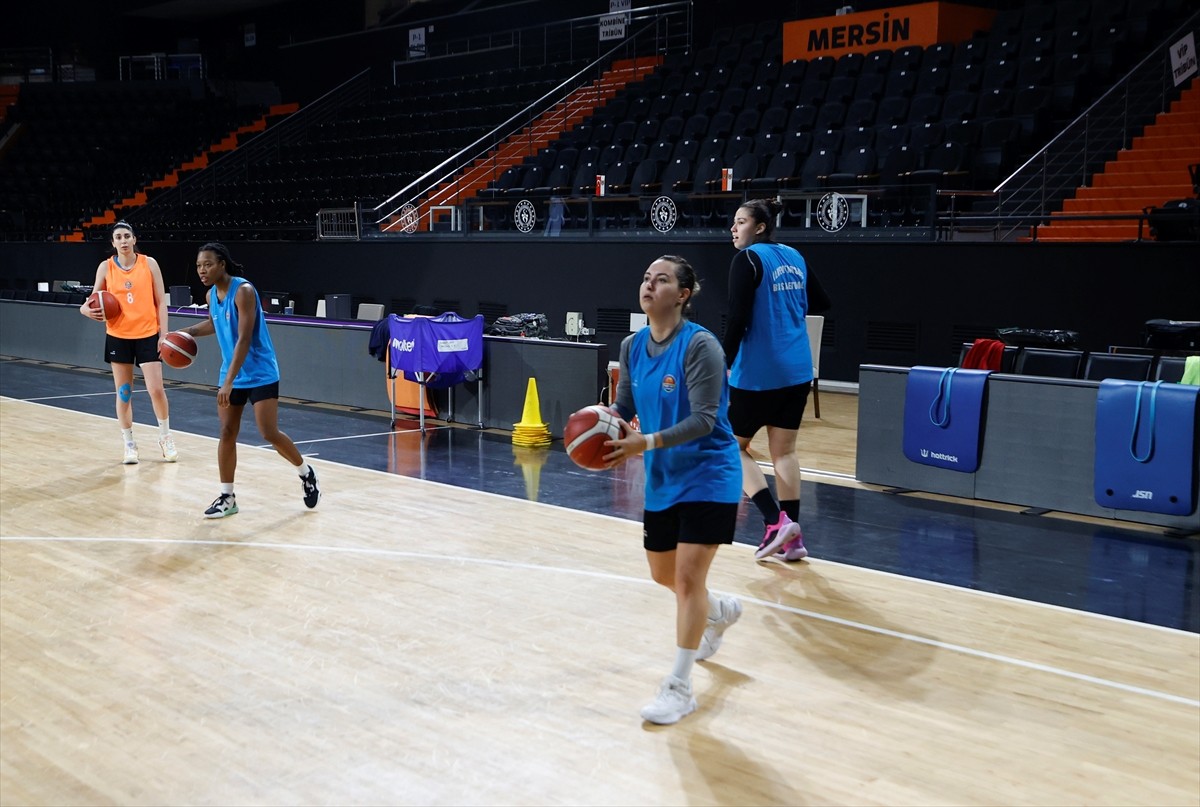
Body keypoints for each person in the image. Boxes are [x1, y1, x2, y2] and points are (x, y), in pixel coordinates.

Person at [606, 255, 744, 726]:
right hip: (663, 476)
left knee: (687, 580)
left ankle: (679, 687)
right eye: (646, 277)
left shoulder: (699, 346)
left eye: (661, 280)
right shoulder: (631, 346)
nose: (649, 285)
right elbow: (623, 407)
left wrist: (644, 442)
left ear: (683, 294)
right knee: (664, 575)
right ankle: (718, 609)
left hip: (709, 472)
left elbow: (706, 419)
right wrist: (598, 428)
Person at [177, 242, 321, 519]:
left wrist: (228, 381)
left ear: (222, 264)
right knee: (227, 433)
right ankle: (227, 497)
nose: (202, 270)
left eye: (207, 264)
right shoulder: (210, 296)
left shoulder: (243, 291)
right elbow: (214, 323)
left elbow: (243, 338)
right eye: (198, 266)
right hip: (231, 373)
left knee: (268, 432)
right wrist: (182, 334)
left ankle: (305, 473)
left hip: (260, 372)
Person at [724, 198, 830, 562]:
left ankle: (773, 521)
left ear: (760, 227)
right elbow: (822, 301)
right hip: (798, 368)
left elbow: (737, 318)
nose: (734, 229)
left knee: (730, 445)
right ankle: (793, 539)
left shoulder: (748, 259)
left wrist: (724, 362)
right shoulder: (794, 257)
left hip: (759, 372)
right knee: (784, 452)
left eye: (740, 222)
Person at [79, 220, 177, 465]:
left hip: (147, 334)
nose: (123, 241)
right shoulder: (105, 267)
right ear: (113, 243)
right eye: (118, 237)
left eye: (126, 236)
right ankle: (129, 444)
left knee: (156, 389)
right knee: (124, 394)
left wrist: (163, 334)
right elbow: (92, 299)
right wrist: (84, 309)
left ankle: (165, 437)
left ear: (134, 240)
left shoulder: (149, 263)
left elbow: (160, 302)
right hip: (118, 336)